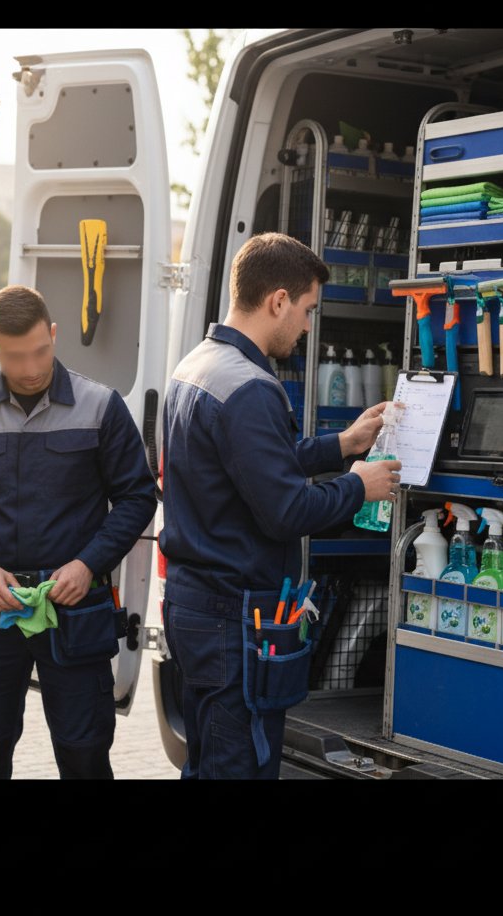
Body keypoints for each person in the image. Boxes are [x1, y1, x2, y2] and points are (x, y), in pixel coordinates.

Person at [159, 232, 402, 779]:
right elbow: (286, 511)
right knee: (237, 766)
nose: (308, 325)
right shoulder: (251, 387)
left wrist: (342, 445)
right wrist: (358, 486)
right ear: (278, 300)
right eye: (308, 309)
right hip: (232, 617)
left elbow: (250, 466)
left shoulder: (198, 365)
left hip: (196, 607)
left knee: (206, 762)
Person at [0, 285, 157, 779]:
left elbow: (138, 497)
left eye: (40, 351)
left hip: (76, 609)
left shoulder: (101, 407)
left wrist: (88, 564)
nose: (30, 368)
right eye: (15, 356)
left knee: (85, 755)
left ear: (53, 333)